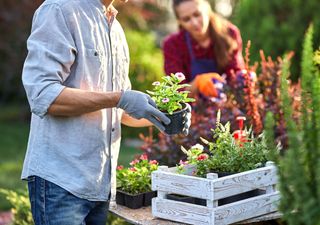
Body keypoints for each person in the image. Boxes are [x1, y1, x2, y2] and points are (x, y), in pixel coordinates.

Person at [21, 0, 190, 224]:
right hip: (60, 183)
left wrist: (162, 117)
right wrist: (119, 98)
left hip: (99, 186)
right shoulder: (59, 10)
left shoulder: (115, 29)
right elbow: (43, 95)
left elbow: (119, 111)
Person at [163, 0, 245, 100]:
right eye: (186, 19)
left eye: (197, 14)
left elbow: (235, 73)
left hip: (227, 102)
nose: (194, 22)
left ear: (207, 10)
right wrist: (197, 83)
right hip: (194, 109)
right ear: (180, 22)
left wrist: (243, 80)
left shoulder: (229, 33)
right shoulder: (172, 44)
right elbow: (176, 92)